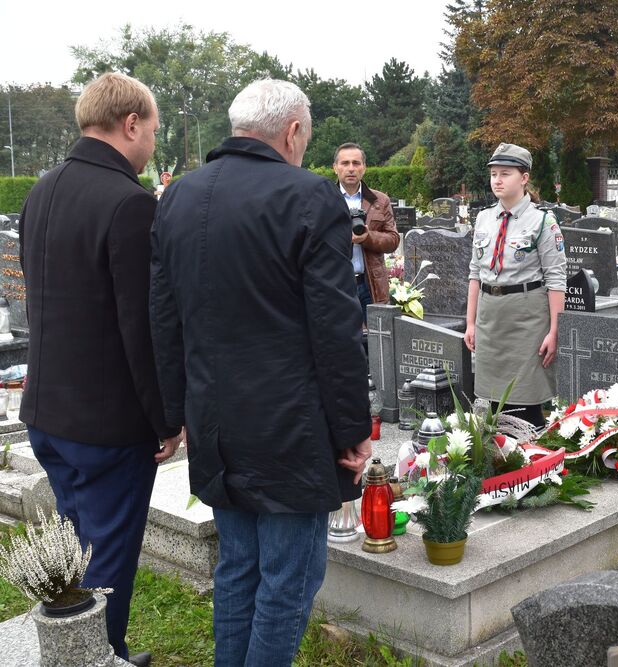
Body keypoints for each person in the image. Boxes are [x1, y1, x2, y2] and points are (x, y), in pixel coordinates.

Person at [150, 79, 372, 667]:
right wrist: (352, 429)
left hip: (215, 419)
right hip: (289, 425)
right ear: (293, 132)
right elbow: (335, 327)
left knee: (239, 567)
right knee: (287, 578)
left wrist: (171, 415)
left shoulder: (179, 196)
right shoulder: (309, 195)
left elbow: (163, 319)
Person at [18, 72, 183, 666]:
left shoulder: (41, 190)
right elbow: (140, 326)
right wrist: (166, 418)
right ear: (131, 124)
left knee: (76, 550)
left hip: (47, 412)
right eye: (153, 132)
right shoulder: (128, 202)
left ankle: (79, 651)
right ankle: (100, 655)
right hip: (106, 425)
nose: (152, 146)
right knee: (106, 555)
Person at [463, 143, 567, 427]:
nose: (497, 180)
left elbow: (556, 279)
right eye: (493, 174)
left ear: (524, 178)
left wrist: (555, 331)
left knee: (526, 399)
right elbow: (475, 272)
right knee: (493, 401)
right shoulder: (484, 218)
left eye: (505, 174)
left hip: (526, 319)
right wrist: (470, 322)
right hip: (490, 317)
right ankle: (503, 451)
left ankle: (530, 451)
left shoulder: (543, 221)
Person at [333, 142, 400, 321]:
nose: (351, 168)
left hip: (371, 284)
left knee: (377, 335)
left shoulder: (380, 200)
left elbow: (393, 240)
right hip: (337, 284)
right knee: (342, 335)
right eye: (345, 163)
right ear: (335, 167)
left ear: (364, 167)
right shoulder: (325, 198)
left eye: (356, 163)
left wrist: (367, 237)